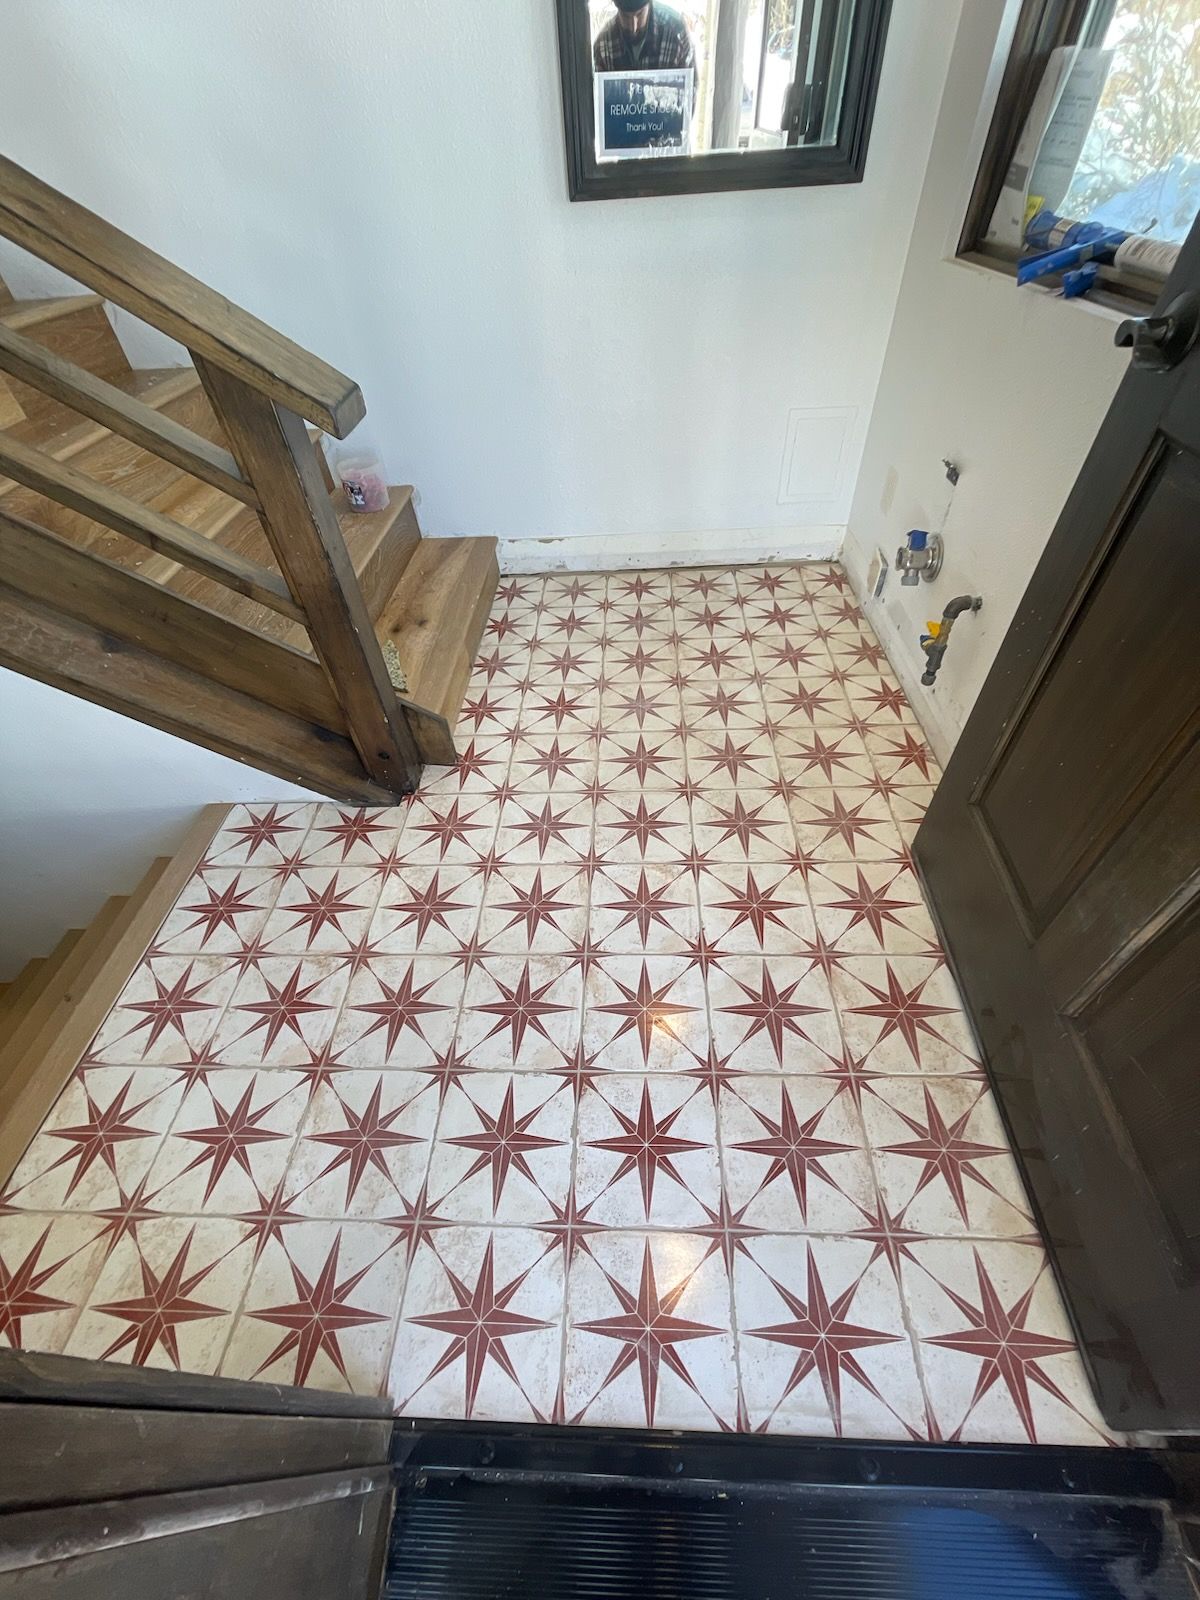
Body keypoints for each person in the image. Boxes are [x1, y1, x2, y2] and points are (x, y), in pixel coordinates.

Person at [592, 1, 696, 73]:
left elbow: (690, 92)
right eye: (625, 16)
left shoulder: (676, 34)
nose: (634, 26)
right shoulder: (602, 45)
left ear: (649, 4)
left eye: (640, 14)